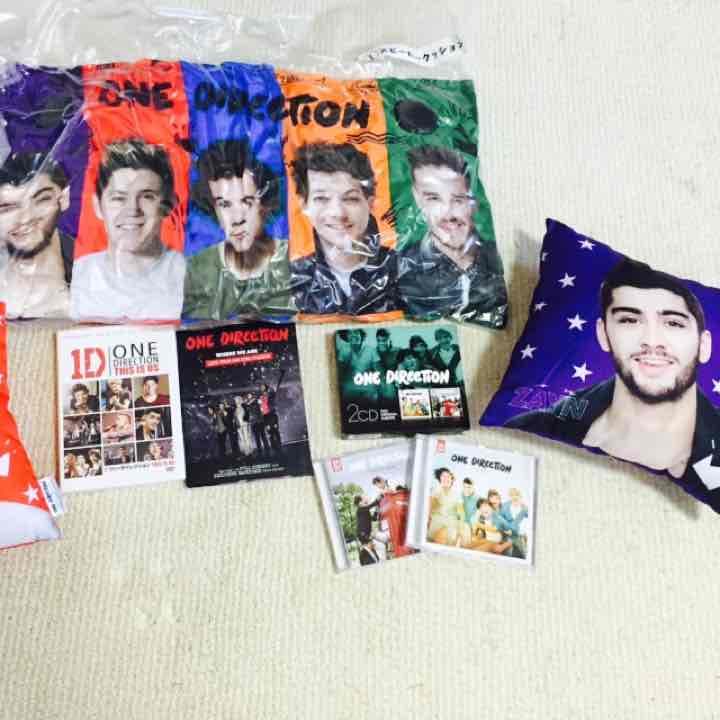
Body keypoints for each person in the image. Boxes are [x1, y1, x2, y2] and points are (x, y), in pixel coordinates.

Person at [506, 258, 720, 509]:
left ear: (704, 345)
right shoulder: (541, 417)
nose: (652, 341)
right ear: (603, 334)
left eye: (673, 323)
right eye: (629, 320)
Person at [70, 138, 185, 321]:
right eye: (118, 198)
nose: (132, 210)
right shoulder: (76, 276)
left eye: (147, 197)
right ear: (98, 206)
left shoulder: (189, 276)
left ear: (169, 205)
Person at [398, 145, 506, 325]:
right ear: (417, 199)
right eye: (434, 199)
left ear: (473, 201)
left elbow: (498, 310)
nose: (448, 214)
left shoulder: (494, 257)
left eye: (458, 199)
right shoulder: (402, 270)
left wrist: (468, 266)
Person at [183, 139, 292, 319]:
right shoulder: (197, 268)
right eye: (224, 205)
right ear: (212, 209)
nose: (237, 219)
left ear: (264, 204)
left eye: (246, 202)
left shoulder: (293, 260)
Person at [290, 142, 398, 316]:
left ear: (370, 204)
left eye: (350, 199)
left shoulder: (402, 271)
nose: (338, 213)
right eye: (322, 199)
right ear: (304, 205)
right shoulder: (291, 280)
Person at [0, 151, 73, 318]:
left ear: (64, 198)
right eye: (8, 208)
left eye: (41, 200)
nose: (25, 218)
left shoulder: (95, 270)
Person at [427, 467, 464, 546]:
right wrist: (437, 492)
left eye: (448, 476)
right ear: (440, 479)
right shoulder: (435, 491)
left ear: (452, 479)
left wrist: (461, 527)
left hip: (451, 522)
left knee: (446, 536)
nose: (446, 478)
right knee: (435, 539)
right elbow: (430, 507)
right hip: (436, 521)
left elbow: (461, 512)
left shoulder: (457, 494)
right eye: (443, 476)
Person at [258, 382, 281, 452]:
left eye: (263, 387)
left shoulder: (270, 395)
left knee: (275, 430)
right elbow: (260, 406)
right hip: (265, 416)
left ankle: (279, 444)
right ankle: (273, 446)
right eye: (261, 387)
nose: (262, 388)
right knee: (269, 432)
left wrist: (270, 391)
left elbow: (273, 397)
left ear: (266, 388)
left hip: (272, 414)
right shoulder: (260, 397)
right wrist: (260, 406)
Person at [244, 392, 269, 457]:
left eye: (249, 395)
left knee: (263, 436)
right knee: (257, 437)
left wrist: (263, 419)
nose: (249, 396)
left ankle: (267, 449)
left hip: (259, 421)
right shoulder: (247, 405)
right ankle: (260, 451)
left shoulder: (256, 401)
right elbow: (247, 414)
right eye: (248, 396)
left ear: (252, 396)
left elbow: (261, 410)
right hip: (253, 423)